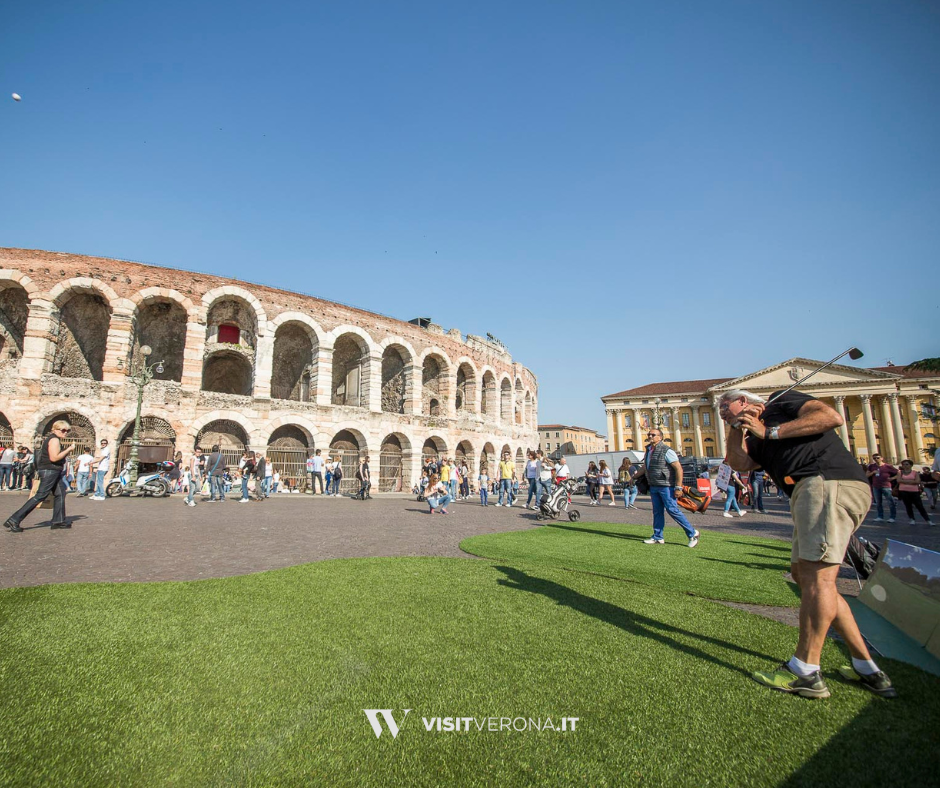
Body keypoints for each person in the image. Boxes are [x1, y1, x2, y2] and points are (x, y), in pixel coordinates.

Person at [720, 387, 896, 699]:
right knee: (808, 578)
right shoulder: (753, 436)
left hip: (825, 482)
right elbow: (740, 464)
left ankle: (805, 671)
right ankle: (867, 666)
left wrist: (770, 430)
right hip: (810, 491)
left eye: (724, 404)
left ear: (745, 401)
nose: (720, 410)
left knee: (817, 580)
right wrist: (735, 431)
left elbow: (830, 416)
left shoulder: (779, 403)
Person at [630, 428, 699, 548]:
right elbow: (645, 467)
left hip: (667, 486)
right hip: (654, 485)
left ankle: (692, 533)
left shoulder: (666, 450)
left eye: (653, 435)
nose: (650, 436)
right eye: (649, 434)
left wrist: (678, 487)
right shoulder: (649, 450)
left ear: (660, 437)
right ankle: (658, 536)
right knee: (657, 512)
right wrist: (634, 477)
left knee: (672, 510)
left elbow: (678, 468)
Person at [4, 420, 74, 532]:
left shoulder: (53, 439)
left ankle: (58, 520)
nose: (65, 432)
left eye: (67, 430)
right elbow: (54, 458)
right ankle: (14, 519)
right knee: (40, 496)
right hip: (50, 471)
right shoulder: (54, 439)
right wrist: (68, 450)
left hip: (53, 471)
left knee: (60, 493)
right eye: (63, 430)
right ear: (55, 429)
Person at [891, 460, 931, 525]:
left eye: (907, 464)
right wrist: (912, 481)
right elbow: (898, 480)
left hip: (914, 491)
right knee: (908, 505)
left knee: (919, 506)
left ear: (911, 465)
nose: (905, 466)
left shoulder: (915, 472)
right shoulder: (900, 472)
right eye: (903, 464)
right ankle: (912, 519)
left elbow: (917, 481)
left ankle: (928, 520)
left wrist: (904, 481)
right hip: (903, 491)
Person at [866, 454, 897, 523]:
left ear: (882, 458)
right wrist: (873, 472)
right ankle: (880, 516)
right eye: (874, 458)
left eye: (878, 458)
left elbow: (899, 473)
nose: (876, 459)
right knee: (878, 503)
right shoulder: (871, 466)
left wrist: (892, 478)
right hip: (876, 486)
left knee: (890, 502)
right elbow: (867, 475)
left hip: (886, 486)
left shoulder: (888, 466)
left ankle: (892, 517)